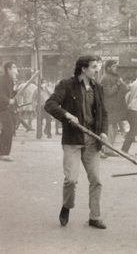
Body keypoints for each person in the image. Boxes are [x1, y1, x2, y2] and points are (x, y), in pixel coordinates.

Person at [45, 56, 108, 229]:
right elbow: (49, 104)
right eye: (94, 67)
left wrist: (103, 132)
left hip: (92, 140)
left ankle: (95, 217)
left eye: (98, 67)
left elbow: (104, 113)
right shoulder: (66, 85)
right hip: (73, 139)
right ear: (83, 69)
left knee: (96, 179)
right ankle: (67, 206)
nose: (97, 70)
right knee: (71, 180)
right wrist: (66, 115)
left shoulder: (98, 88)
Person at [100, 60, 129, 156]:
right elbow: (108, 92)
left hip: (116, 107)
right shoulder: (105, 78)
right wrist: (117, 85)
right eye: (113, 66)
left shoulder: (116, 77)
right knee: (109, 129)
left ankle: (109, 148)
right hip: (108, 107)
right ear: (108, 68)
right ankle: (107, 150)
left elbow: (126, 89)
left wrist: (121, 84)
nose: (116, 68)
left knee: (114, 128)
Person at [0, 62, 18, 162]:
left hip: (8, 109)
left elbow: (12, 94)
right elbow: (1, 94)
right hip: (3, 108)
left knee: (7, 130)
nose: (16, 70)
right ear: (8, 69)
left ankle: (3, 152)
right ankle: (4, 153)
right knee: (8, 130)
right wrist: (8, 100)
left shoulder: (11, 81)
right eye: (14, 67)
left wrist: (15, 89)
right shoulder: (2, 79)